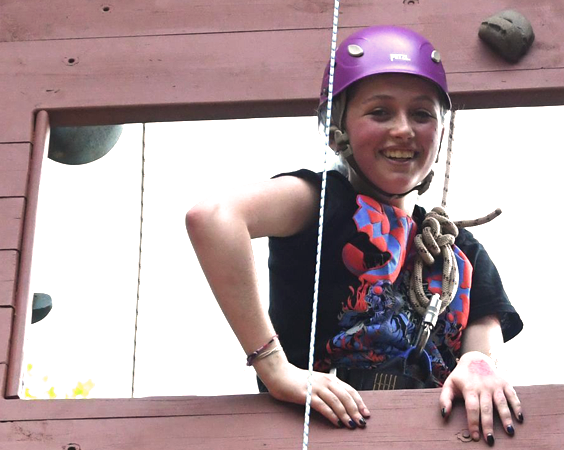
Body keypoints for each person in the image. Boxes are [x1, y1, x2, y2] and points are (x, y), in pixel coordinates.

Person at [184, 25, 525, 445]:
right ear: (337, 131)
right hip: (316, 432)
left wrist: (478, 364)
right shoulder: (323, 200)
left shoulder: (459, 252)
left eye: (422, 114)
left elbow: (481, 343)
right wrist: (274, 368)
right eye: (379, 112)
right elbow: (214, 217)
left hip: (424, 434)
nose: (403, 129)